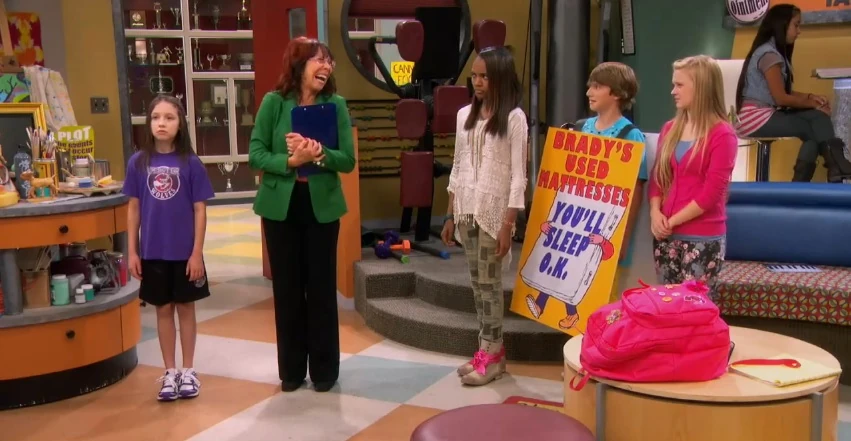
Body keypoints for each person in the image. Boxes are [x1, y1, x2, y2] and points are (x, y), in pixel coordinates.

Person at [249, 37, 355, 393]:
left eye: (329, 61)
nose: (326, 66)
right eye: (318, 60)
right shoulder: (274, 102)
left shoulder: (336, 105)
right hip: (281, 207)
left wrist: (319, 153)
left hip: (321, 206)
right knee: (288, 289)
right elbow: (255, 154)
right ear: (299, 64)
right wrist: (291, 161)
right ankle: (292, 371)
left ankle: (325, 371)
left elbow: (347, 160)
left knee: (321, 288)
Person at [524, 62, 647, 330]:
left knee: (600, 299)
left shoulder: (631, 135)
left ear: (617, 93)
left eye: (598, 86)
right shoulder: (580, 128)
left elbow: (635, 190)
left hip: (600, 230)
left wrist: (623, 239)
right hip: (571, 226)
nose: (589, 91)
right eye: (590, 85)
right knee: (564, 277)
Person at [440, 46, 528, 387]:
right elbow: (458, 165)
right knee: (477, 286)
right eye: (474, 76)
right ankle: (488, 351)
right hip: (465, 209)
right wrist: (449, 215)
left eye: (484, 77)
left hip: (494, 213)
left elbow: (518, 177)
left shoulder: (514, 118)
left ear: (500, 79)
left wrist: (508, 224)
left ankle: (492, 356)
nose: (477, 82)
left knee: (490, 287)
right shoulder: (464, 115)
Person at [124, 94, 215, 401]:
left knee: (186, 308)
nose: (161, 123)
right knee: (163, 310)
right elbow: (133, 208)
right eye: (155, 117)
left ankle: (189, 371)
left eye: (169, 117)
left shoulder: (191, 163)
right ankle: (170, 371)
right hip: (153, 253)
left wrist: (197, 253)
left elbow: (200, 210)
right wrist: (133, 251)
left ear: (180, 124)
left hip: (186, 253)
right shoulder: (138, 163)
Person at [649, 55, 738, 302]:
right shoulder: (670, 129)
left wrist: (671, 222)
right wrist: (655, 213)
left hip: (702, 238)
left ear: (700, 88)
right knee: (667, 308)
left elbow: (711, 193)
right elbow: (658, 178)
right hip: (665, 238)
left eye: (679, 85)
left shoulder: (722, 134)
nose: (673, 91)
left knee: (694, 311)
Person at [735, 3, 848, 182]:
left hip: (767, 113)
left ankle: (831, 169)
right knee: (812, 128)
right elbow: (781, 98)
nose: (799, 31)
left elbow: (783, 92)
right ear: (782, 25)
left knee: (815, 124)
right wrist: (812, 104)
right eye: (796, 25)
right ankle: (835, 166)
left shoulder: (772, 52)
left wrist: (810, 98)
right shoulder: (769, 55)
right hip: (754, 118)